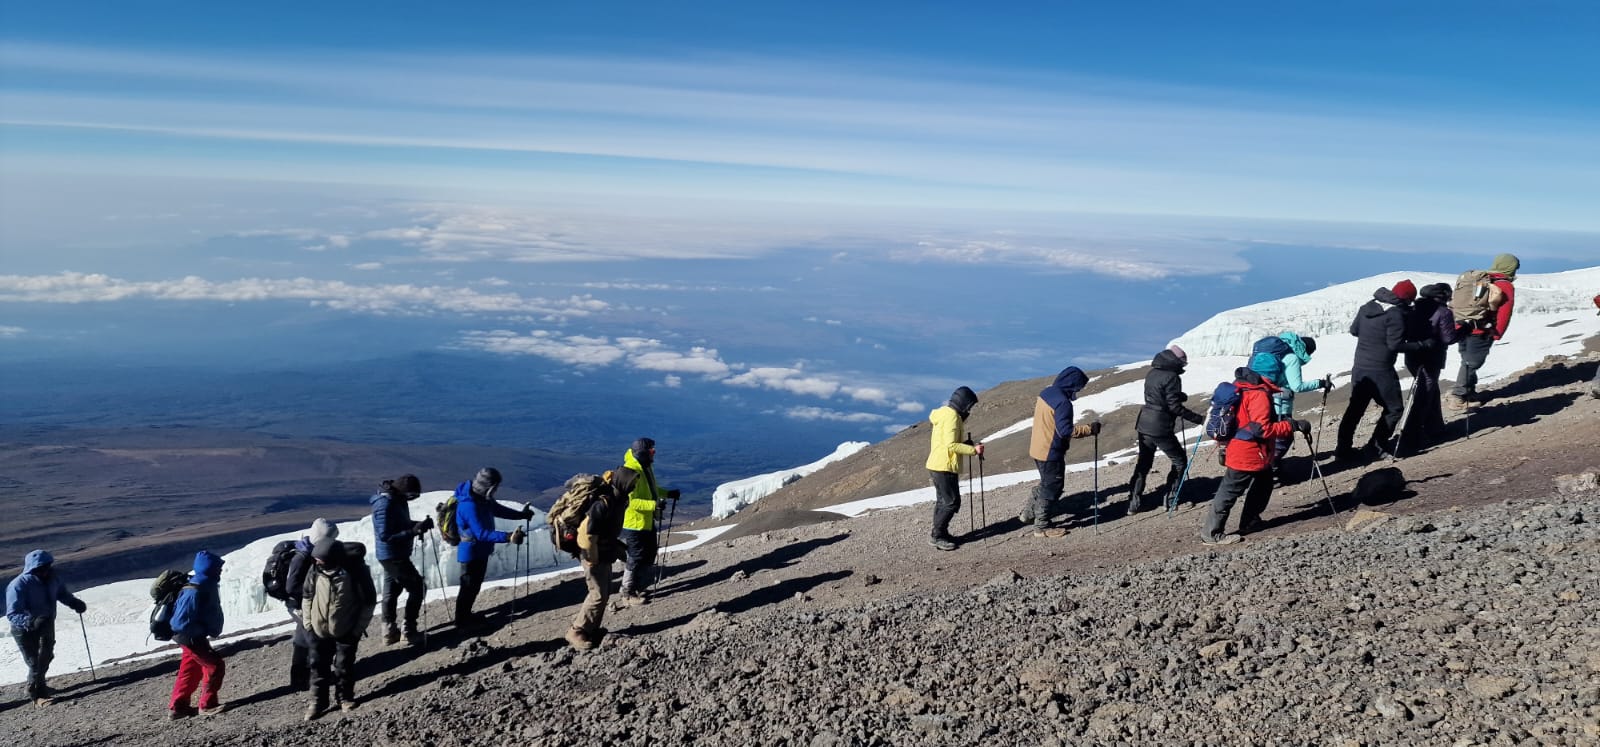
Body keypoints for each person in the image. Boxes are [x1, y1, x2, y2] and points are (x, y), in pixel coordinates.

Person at [1202, 368, 1310, 544]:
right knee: (1230, 491)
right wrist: (1291, 426)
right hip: (1249, 452)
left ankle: (1250, 521)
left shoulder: (1240, 388)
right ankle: (1212, 534)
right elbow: (1262, 429)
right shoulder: (1258, 394)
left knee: (1264, 483)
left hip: (1245, 450)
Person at [1335, 280, 1436, 461]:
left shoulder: (1368, 306)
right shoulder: (1395, 314)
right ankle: (1376, 446)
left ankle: (1343, 449)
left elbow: (1354, 330)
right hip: (1381, 369)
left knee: (1355, 409)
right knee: (1394, 409)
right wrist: (1421, 345)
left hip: (1360, 367)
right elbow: (1394, 345)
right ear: (1406, 299)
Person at [302, 538, 378, 720]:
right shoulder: (315, 571)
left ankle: (344, 698)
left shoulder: (353, 572)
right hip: (319, 629)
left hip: (346, 629)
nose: (317, 562)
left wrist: (356, 630)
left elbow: (368, 603)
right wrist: (308, 625)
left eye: (320, 559)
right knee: (317, 666)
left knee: (344, 666)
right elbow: (306, 596)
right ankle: (318, 702)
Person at [453, 467, 532, 629]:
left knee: (473, 586)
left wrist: (521, 515)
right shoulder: (469, 505)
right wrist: (508, 537)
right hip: (471, 552)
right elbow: (481, 533)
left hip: (479, 551)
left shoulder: (482, 499)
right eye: (495, 487)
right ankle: (461, 620)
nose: (496, 490)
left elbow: (498, 510)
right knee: (468, 587)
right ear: (488, 487)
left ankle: (465, 616)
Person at [5, 550, 87, 703]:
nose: (45, 570)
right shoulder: (19, 584)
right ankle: (37, 694)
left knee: (46, 656)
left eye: (47, 566)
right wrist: (30, 621)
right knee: (34, 661)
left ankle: (39, 685)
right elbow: (12, 613)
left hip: (46, 624)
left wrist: (74, 603)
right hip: (24, 629)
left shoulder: (52, 579)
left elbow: (61, 593)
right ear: (33, 567)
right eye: (42, 567)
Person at [1128, 349, 1202, 513]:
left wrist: (1178, 396)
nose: (1183, 365)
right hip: (1160, 426)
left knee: (1144, 463)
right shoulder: (1172, 377)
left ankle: (1133, 504)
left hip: (1144, 422)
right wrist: (1199, 419)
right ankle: (1171, 499)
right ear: (1176, 361)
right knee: (1180, 461)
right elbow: (1174, 407)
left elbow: (1158, 395)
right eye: (1183, 362)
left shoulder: (1152, 373)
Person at [614, 438, 680, 603]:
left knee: (649, 554)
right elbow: (633, 501)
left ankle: (637, 588)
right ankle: (627, 592)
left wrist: (667, 493)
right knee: (636, 557)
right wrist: (654, 505)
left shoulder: (645, 467)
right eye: (651, 451)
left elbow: (652, 490)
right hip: (634, 523)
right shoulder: (631, 471)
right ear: (643, 453)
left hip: (647, 521)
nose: (654, 453)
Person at [370, 474, 432, 645]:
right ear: (403, 492)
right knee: (418, 588)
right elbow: (385, 535)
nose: (411, 499)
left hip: (392, 554)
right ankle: (408, 631)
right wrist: (413, 531)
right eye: (411, 496)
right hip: (393, 555)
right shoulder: (385, 504)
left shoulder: (395, 500)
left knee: (391, 591)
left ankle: (389, 632)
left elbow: (399, 523)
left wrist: (418, 525)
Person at [1449, 253, 1519, 407]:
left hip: (1462, 325)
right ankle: (1458, 396)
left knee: (1466, 360)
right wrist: (1497, 333)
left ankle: (1469, 392)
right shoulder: (1504, 285)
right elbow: (1504, 312)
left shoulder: (1480, 279)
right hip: (1481, 330)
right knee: (1472, 362)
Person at [567, 474, 627, 650]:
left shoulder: (615, 500)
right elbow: (588, 535)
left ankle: (590, 630)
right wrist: (592, 558)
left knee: (605, 591)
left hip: (601, 552)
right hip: (592, 554)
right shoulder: (603, 504)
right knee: (598, 593)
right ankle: (576, 631)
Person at [1399, 283, 1460, 451]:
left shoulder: (1415, 308)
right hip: (1432, 357)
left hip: (1412, 356)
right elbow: (1448, 338)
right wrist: (1464, 330)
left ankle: (1435, 428)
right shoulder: (1443, 312)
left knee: (1430, 391)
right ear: (1444, 295)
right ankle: (1411, 438)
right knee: (1424, 395)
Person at [168, 550, 226, 719]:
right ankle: (207, 705)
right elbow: (182, 620)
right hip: (192, 636)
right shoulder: (203, 585)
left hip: (187, 636)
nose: (220, 571)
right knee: (214, 666)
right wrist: (199, 631)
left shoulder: (196, 583)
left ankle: (177, 707)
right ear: (210, 568)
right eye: (218, 568)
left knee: (190, 669)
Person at [926, 386, 984, 550]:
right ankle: (937, 535)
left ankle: (940, 533)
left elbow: (947, 443)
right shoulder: (952, 417)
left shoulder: (944, 414)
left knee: (943, 501)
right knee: (951, 502)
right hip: (944, 466)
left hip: (937, 464)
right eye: (969, 406)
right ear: (963, 403)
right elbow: (950, 444)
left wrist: (965, 445)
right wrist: (973, 450)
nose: (969, 410)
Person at [1267, 333, 1333, 470]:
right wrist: (1320, 383)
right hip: (1280, 406)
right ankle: (1267, 467)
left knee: (1272, 437)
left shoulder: (1281, 354)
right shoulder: (1292, 358)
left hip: (1268, 402)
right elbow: (1297, 386)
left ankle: (1268, 465)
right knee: (1284, 437)